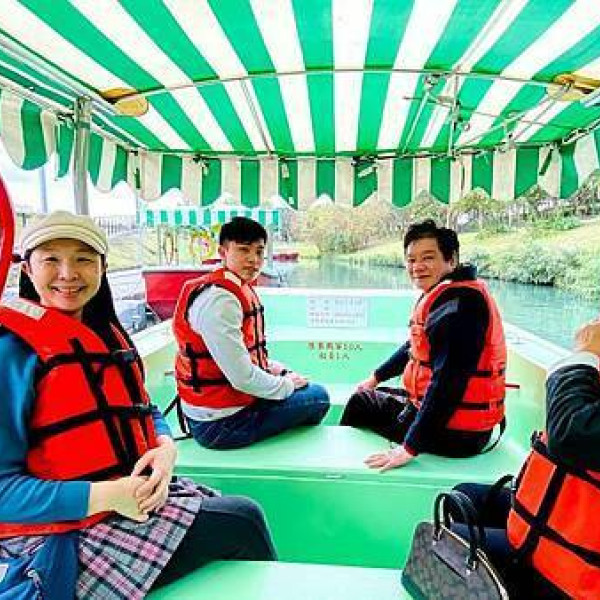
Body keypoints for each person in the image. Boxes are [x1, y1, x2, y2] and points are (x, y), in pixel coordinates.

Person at [0, 211, 276, 600]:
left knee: (235, 511)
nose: (68, 273)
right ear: (27, 269)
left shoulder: (105, 335)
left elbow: (142, 410)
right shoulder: (10, 353)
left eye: (83, 259)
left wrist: (164, 449)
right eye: (51, 260)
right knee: (241, 521)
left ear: (102, 267)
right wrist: (107, 496)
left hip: (124, 496)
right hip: (57, 532)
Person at [340, 219, 506, 471]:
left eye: (428, 258)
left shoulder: (458, 308)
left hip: (457, 435)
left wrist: (408, 448)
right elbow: (414, 348)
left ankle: (345, 469)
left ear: (451, 260)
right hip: (464, 426)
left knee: (360, 402)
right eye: (411, 260)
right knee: (371, 392)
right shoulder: (454, 293)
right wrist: (375, 377)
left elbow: (449, 382)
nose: (417, 267)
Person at [451, 319, 600, 600]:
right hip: (557, 521)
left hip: (571, 576)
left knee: (452, 541)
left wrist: (586, 354)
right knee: (464, 496)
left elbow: (571, 432)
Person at [172, 216, 329, 449]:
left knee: (299, 384)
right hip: (221, 424)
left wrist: (277, 370)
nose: (254, 259)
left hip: (214, 413)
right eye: (243, 250)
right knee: (319, 397)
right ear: (223, 252)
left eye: (259, 251)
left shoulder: (229, 288)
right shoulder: (220, 302)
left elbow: (240, 356)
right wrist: (287, 385)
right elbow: (242, 378)